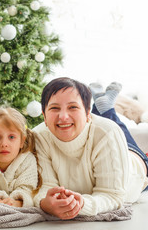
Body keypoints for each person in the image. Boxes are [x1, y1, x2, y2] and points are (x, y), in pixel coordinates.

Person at [33, 77, 148, 220]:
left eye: (73, 107)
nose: (63, 116)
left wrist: (82, 204)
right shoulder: (38, 137)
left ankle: (107, 109)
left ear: (88, 113)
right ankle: (104, 107)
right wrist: (45, 203)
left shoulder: (107, 132)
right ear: (44, 115)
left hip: (135, 165)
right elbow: (45, 187)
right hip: (98, 134)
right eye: (54, 108)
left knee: (114, 127)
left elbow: (112, 195)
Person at [0, 106, 41, 207]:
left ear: (22, 141)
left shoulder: (27, 160)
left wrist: (16, 202)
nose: (4, 144)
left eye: (11, 137)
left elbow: (27, 190)